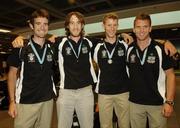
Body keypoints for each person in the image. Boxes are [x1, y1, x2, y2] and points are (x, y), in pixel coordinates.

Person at [7, 9, 56, 128]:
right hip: (25, 102)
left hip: (47, 101)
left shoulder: (51, 47)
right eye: (38, 24)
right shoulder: (21, 47)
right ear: (31, 26)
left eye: (45, 24)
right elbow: (12, 74)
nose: (42, 27)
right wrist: (12, 102)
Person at [126, 13, 176, 128]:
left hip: (157, 103)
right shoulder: (129, 49)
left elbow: (171, 75)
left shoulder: (161, 48)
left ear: (150, 28)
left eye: (145, 26)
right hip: (135, 103)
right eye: (138, 27)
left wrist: (169, 102)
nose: (141, 30)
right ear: (134, 29)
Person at [93, 13, 130, 128]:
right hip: (104, 92)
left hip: (123, 91)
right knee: (105, 125)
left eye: (114, 25)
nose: (112, 28)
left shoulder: (125, 45)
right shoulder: (97, 47)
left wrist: (165, 42)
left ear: (118, 26)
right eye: (109, 25)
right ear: (103, 26)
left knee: (124, 124)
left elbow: (144, 41)